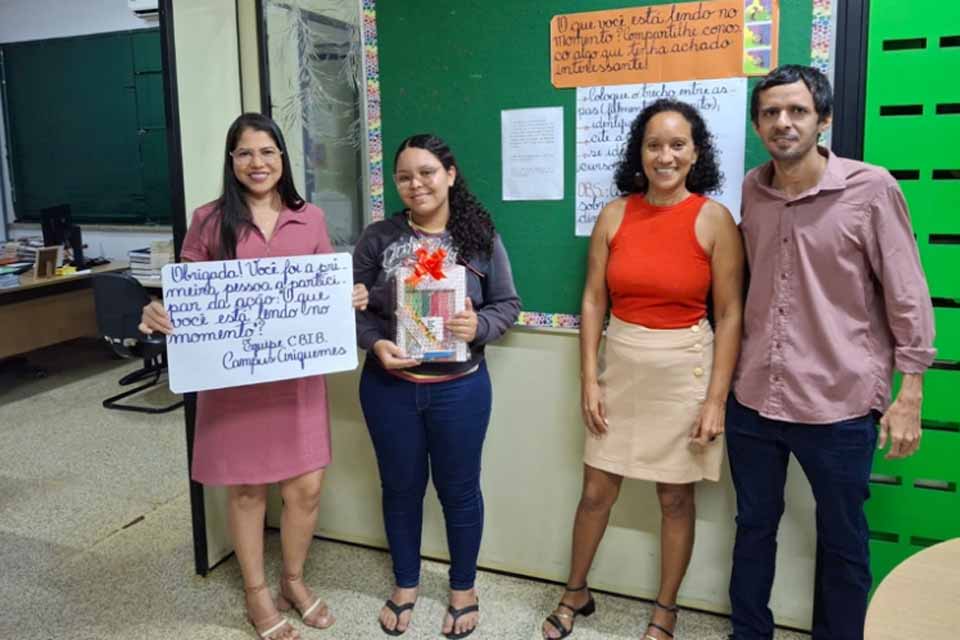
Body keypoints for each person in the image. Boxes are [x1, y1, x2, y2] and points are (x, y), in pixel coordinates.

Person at [139, 112, 368, 640]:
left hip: (296, 382)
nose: (256, 163)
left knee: (306, 488)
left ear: (282, 158)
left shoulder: (308, 217)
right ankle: (255, 594)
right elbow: (186, 296)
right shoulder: (208, 219)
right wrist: (156, 311)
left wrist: (347, 297)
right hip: (235, 381)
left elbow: (318, 289)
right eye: (244, 153)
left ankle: (292, 579)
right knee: (247, 494)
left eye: (267, 152)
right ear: (231, 161)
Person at [727, 65, 936, 640]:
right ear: (757, 124)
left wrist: (909, 391)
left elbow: (907, 292)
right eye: (770, 113)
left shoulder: (871, 188)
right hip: (753, 399)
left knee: (843, 540)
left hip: (839, 406)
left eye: (796, 111)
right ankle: (749, 632)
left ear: (824, 119)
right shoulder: (752, 188)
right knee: (752, 529)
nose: (783, 123)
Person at [542, 100, 744, 640]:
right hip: (622, 364)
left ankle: (665, 611)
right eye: (654, 144)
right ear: (640, 151)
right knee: (595, 492)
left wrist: (715, 399)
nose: (665, 155)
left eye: (678, 144)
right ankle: (575, 591)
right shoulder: (614, 214)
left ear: (696, 152)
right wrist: (588, 378)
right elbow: (591, 303)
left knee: (675, 498)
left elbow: (729, 315)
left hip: (686, 372)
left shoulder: (715, 220)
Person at [353, 133, 521, 639]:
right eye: (404, 176)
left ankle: (463, 587)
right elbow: (353, 310)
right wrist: (375, 344)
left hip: (460, 389)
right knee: (400, 489)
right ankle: (406, 584)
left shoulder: (479, 236)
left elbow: (506, 304)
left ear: (449, 174)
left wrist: (479, 328)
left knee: (460, 491)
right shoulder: (377, 238)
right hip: (390, 388)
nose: (415, 184)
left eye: (426, 172)